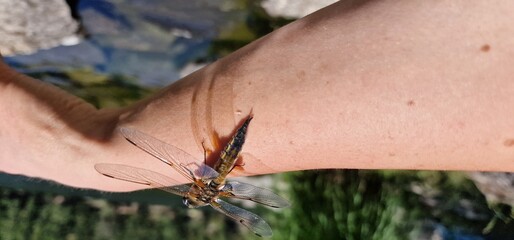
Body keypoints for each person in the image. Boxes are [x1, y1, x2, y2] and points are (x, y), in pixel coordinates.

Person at [1, 0, 513, 192]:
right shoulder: (210, 178)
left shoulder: (205, 176)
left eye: (202, 193)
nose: (200, 195)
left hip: (218, 150)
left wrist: (93, 149)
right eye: (203, 194)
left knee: (109, 152)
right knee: (106, 151)